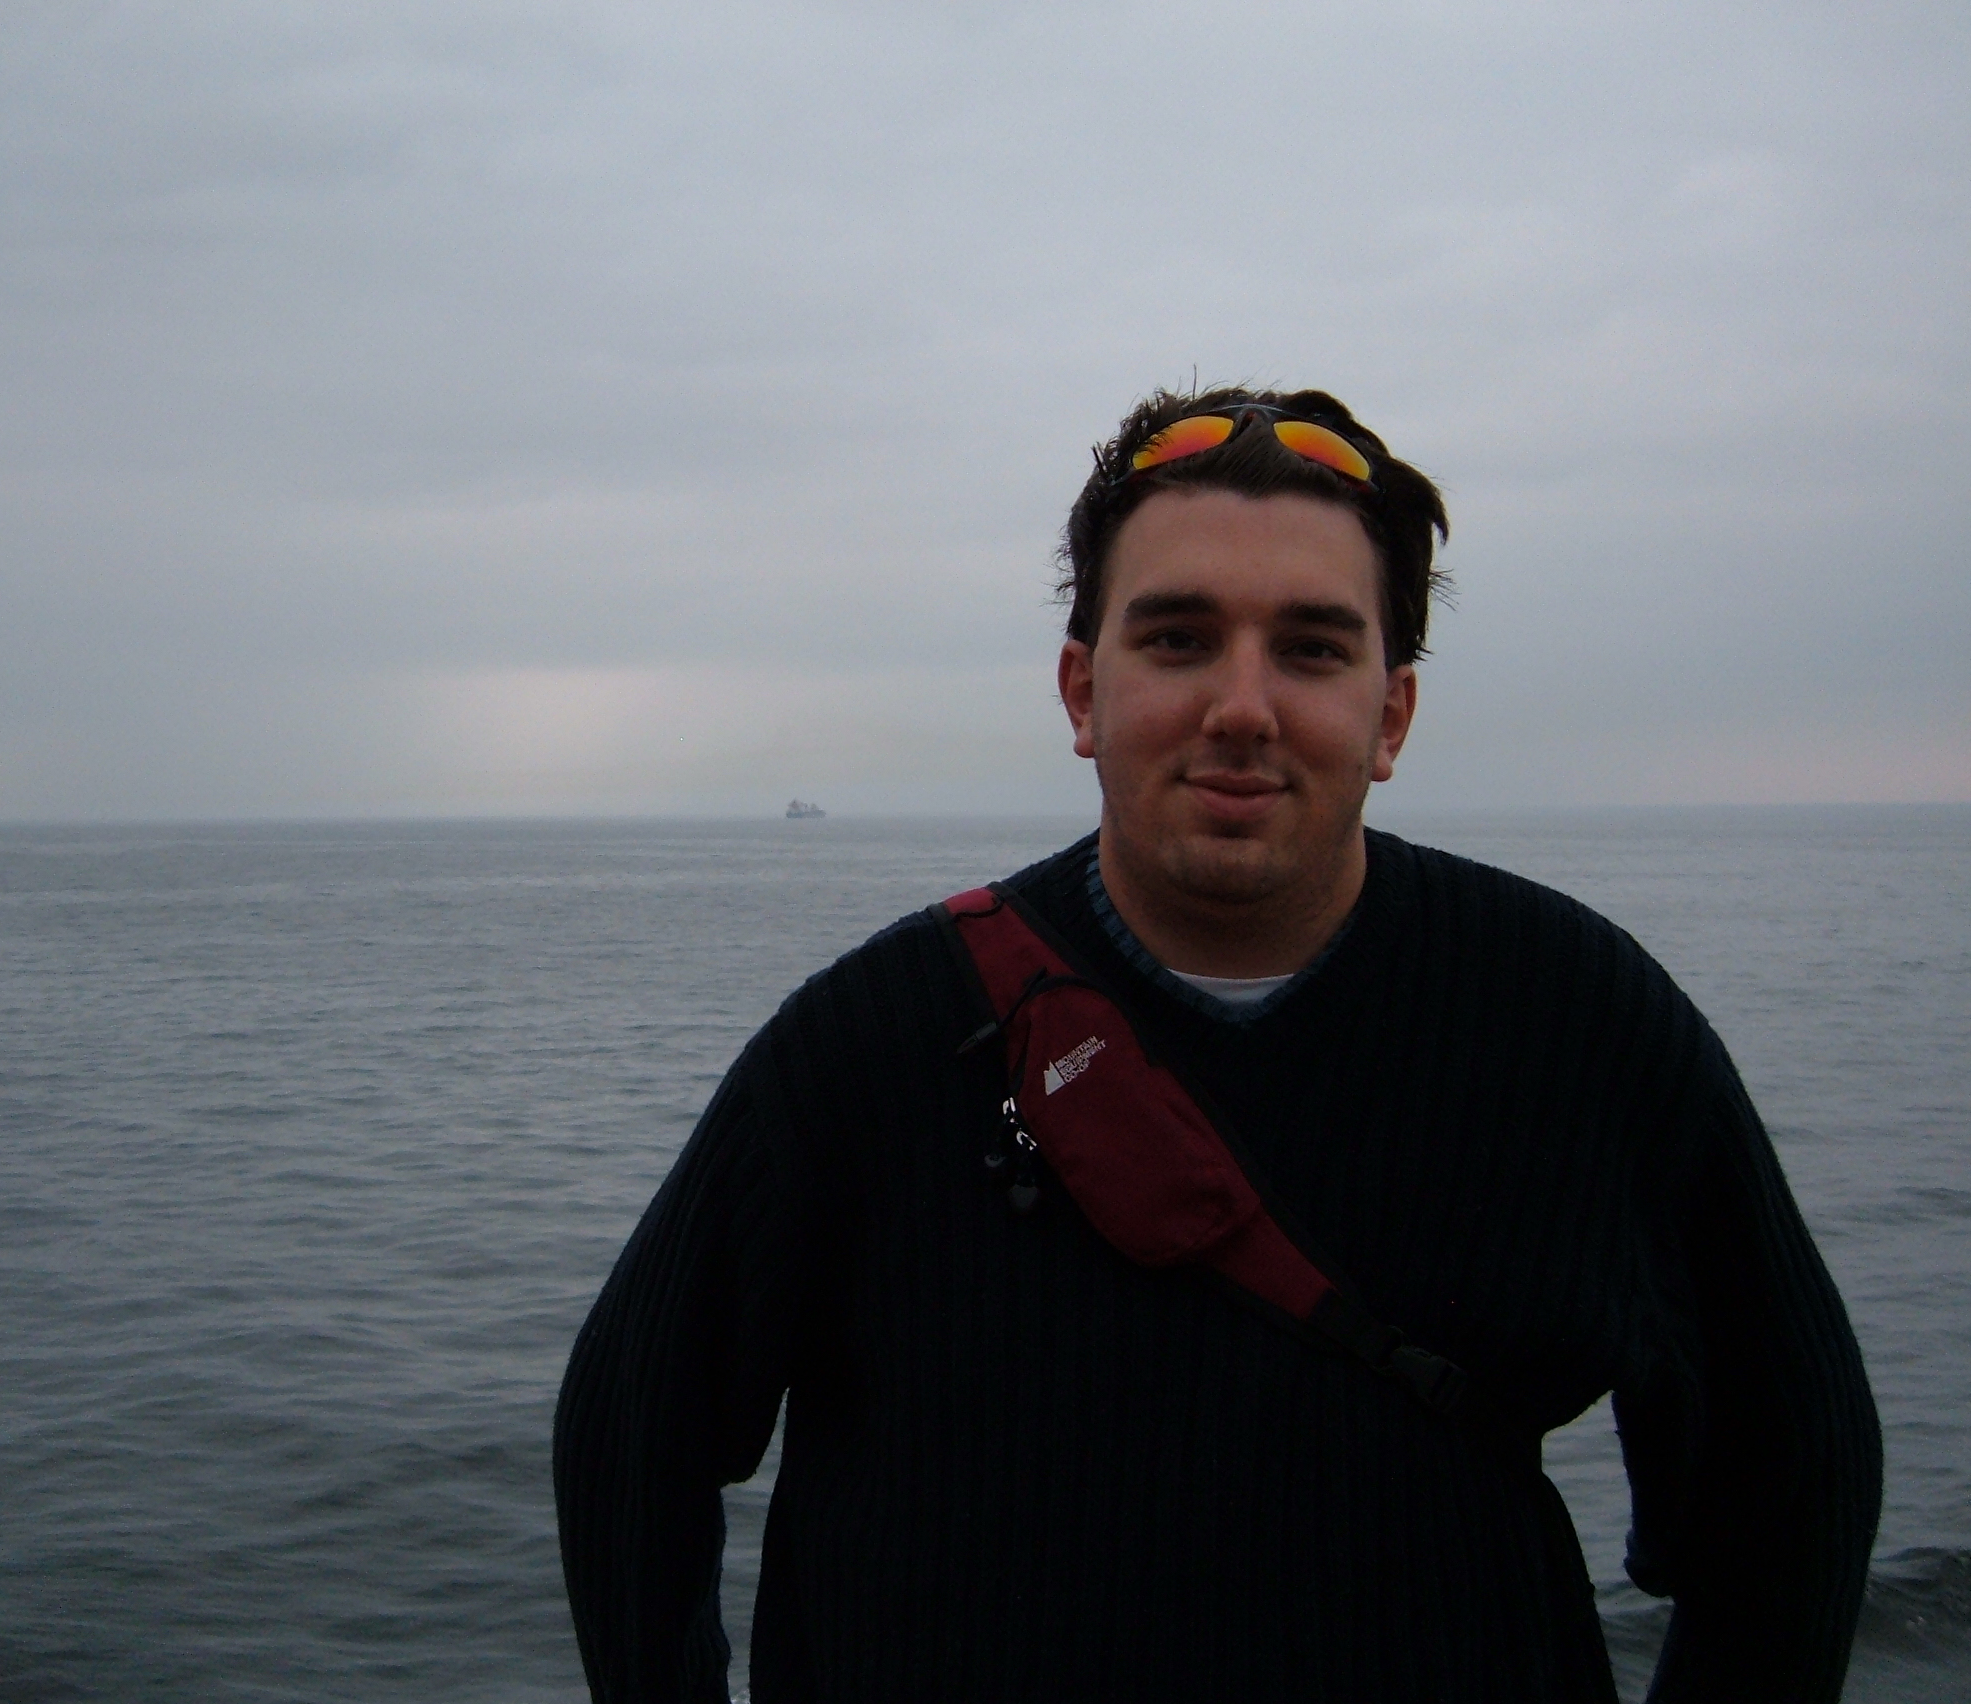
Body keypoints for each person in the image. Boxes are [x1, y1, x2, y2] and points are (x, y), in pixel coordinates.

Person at [553, 384, 1882, 1702]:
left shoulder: (1580, 1023)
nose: (1243, 705)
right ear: (1083, 691)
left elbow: (1794, 1466)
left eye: (1311, 649)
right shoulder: (875, 1041)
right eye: (1180, 640)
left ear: (1392, 716)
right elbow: (630, 1434)